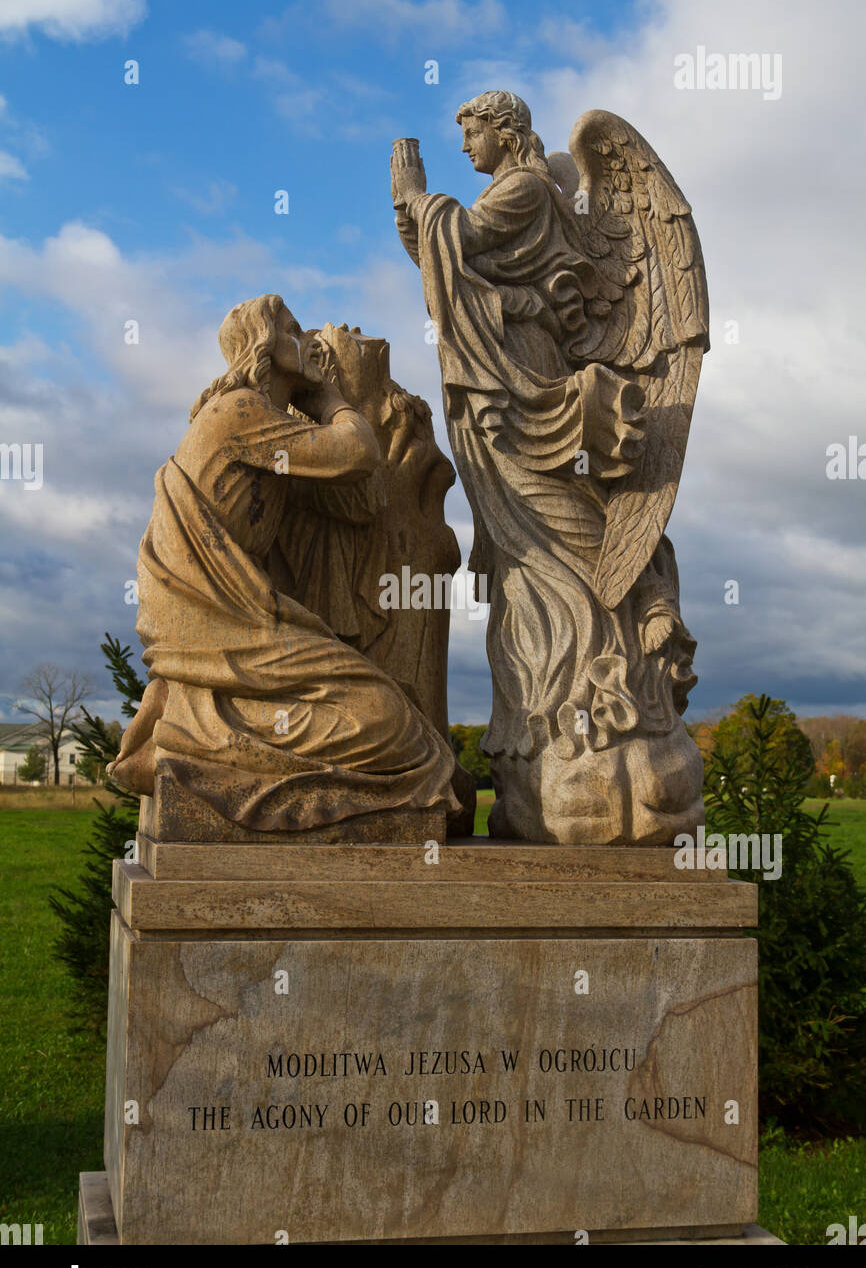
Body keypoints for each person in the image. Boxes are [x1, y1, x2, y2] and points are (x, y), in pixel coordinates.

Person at [392, 92, 702, 843]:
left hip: (526, 391)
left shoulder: (526, 188)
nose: (466, 147)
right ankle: (550, 726)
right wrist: (421, 223)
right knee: (527, 568)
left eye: (471, 133)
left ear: (504, 131)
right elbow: (455, 262)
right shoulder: (522, 195)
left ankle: (618, 681)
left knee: (559, 539)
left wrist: (414, 197)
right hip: (509, 380)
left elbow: (458, 242)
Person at [110, 294, 459, 832]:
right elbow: (355, 451)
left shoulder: (271, 437)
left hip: (241, 624)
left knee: (393, 720)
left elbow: (359, 503)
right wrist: (331, 395)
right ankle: (187, 733)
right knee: (391, 725)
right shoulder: (240, 413)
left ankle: (203, 727)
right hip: (217, 625)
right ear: (264, 347)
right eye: (295, 330)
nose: (312, 341)